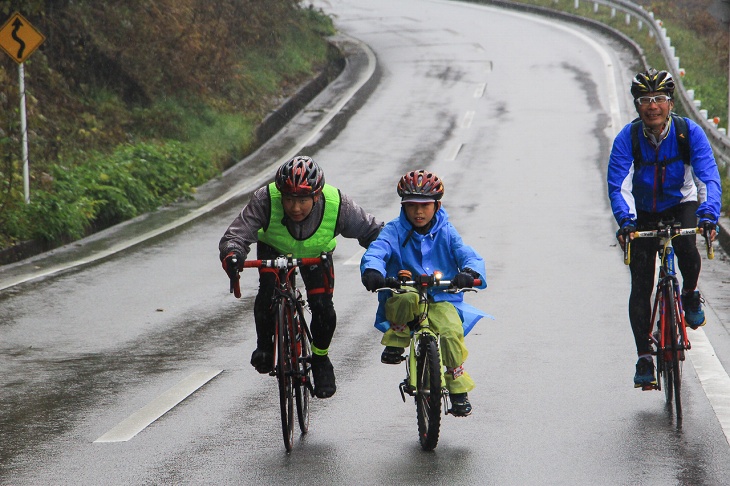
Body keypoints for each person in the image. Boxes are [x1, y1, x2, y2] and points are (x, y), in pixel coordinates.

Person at [219, 156, 382, 398]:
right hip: (274, 249)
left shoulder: (338, 203)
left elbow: (374, 233)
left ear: (316, 196)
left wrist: (383, 261)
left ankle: (320, 359)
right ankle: (264, 346)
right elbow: (237, 234)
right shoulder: (265, 198)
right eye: (289, 200)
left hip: (316, 255)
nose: (295, 208)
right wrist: (233, 254)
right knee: (267, 292)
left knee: (323, 307)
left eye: (303, 200)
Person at [607, 68, 722, 388]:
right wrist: (626, 221)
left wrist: (708, 215)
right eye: (645, 100)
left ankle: (688, 293)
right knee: (641, 282)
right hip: (642, 210)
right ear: (637, 106)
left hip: (681, 203)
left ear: (671, 103)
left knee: (686, 246)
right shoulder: (627, 138)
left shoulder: (689, 133)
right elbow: (619, 185)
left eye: (659, 99)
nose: (652, 106)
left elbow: (708, 178)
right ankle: (644, 356)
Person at [360, 170, 488, 416]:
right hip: (406, 292)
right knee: (405, 299)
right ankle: (397, 340)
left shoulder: (447, 231)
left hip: (441, 296)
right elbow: (377, 251)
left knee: (451, 331)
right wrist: (373, 270)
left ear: (437, 205)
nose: (418, 212)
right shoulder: (394, 230)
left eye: (425, 206)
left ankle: (458, 389)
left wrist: (470, 270)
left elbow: (465, 253)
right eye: (412, 207)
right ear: (403, 207)